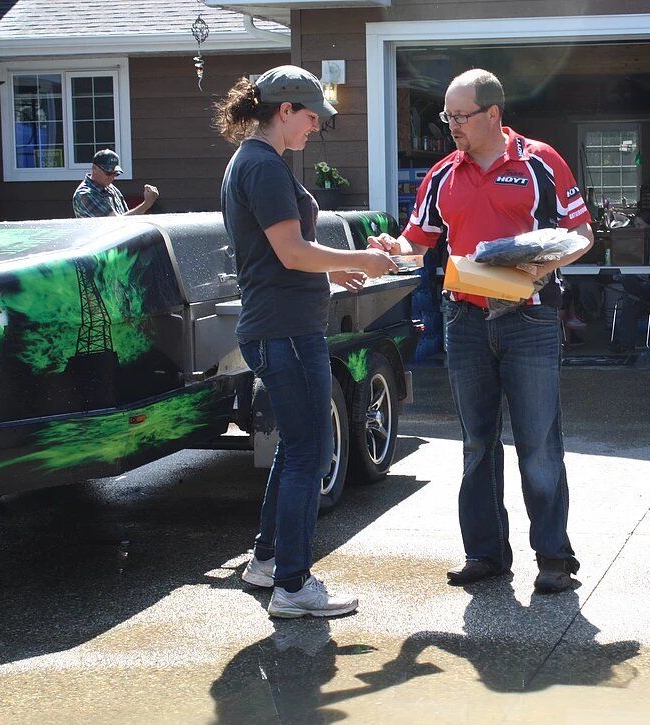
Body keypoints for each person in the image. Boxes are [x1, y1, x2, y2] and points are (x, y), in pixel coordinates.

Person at [367, 69, 594, 594]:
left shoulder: (541, 163)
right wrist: (389, 247)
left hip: (530, 317)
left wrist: (538, 268)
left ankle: (554, 560)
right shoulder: (443, 174)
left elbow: (581, 233)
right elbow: (417, 242)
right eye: (448, 117)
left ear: (493, 114)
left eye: (460, 116)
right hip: (464, 320)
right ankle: (486, 555)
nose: (452, 126)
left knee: (538, 442)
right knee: (476, 443)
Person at [216, 65, 397, 618]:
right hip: (287, 333)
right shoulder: (264, 167)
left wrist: (329, 274)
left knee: (297, 450)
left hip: (279, 325)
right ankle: (293, 588)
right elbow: (291, 252)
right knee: (311, 454)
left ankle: (268, 562)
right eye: (312, 115)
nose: (316, 126)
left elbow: (279, 258)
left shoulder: (251, 162)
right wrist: (360, 259)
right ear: (285, 109)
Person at [72, 149, 159, 218]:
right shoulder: (85, 194)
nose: (112, 177)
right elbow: (115, 224)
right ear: (94, 168)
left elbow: (126, 217)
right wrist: (147, 204)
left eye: (115, 174)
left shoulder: (111, 188)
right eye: (108, 173)